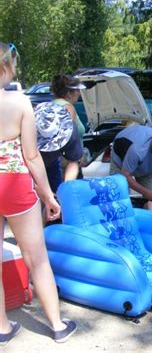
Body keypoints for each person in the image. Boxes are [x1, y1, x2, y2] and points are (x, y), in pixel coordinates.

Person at [0, 42, 77, 344]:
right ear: (5, 67)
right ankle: (57, 326)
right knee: (37, 258)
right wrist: (48, 196)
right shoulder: (19, 102)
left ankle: (2, 329)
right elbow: (32, 156)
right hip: (15, 184)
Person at [36, 74, 85, 194]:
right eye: (77, 90)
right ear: (69, 93)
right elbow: (69, 136)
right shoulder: (68, 108)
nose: (79, 93)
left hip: (46, 156)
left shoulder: (50, 105)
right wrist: (77, 157)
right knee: (68, 192)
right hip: (66, 158)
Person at [110, 125, 152, 211]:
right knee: (120, 192)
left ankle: (148, 218)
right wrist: (146, 192)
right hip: (121, 159)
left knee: (150, 196)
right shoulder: (137, 149)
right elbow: (125, 175)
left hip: (145, 166)